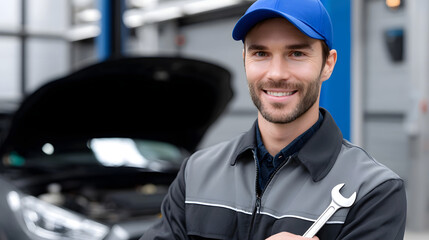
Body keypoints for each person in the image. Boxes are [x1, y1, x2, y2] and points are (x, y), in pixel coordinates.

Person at [140, 0, 407, 239]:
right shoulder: (196, 172)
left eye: (297, 53)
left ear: (328, 64)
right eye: (261, 53)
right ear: (244, 60)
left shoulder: (373, 191)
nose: (276, 73)